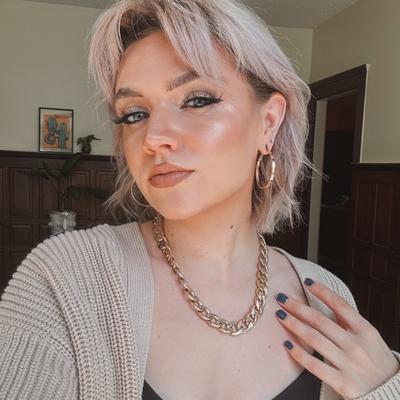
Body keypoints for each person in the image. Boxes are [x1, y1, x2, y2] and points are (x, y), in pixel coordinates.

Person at [0, 1, 399, 399]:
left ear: (268, 123)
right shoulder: (62, 280)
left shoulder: (327, 296)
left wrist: (387, 389)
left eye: (197, 100)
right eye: (135, 114)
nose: (154, 137)